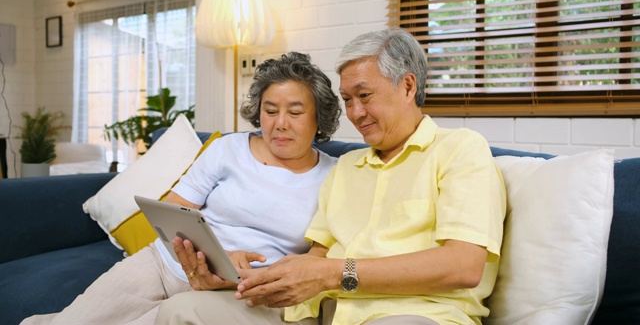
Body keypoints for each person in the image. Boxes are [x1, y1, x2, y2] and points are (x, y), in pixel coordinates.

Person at [156, 28, 507, 325]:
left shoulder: (460, 149)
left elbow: (464, 266)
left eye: (365, 96)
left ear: (408, 86)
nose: (355, 113)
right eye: (347, 99)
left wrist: (334, 274)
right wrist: (234, 277)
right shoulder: (347, 167)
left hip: (413, 313)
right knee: (181, 311)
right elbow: (316, 258)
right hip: (318, 314)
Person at [20, 52, 341, 325]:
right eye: (270, 111)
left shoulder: (336, 175)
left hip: (238, 293)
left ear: (319, 118)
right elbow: (173, 212)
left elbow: (316, 262)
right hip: (165, 264)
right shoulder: (228, 149)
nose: (280, 123)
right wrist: (216, 255)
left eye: (295, 112)